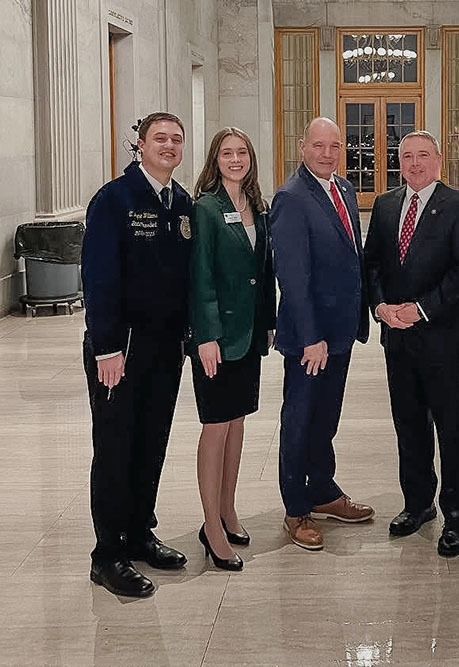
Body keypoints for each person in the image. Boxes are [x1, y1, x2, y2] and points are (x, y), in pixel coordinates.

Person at [82, 112, 192, 597]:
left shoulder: (181, 203)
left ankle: (139, 533)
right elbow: (99, 278)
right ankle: (108, 554)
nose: (168, 146)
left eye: (176, 140)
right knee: (115, 447)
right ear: (140, 145)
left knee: (151, 441)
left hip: (166, 349)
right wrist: (106, 346)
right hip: (120, 351)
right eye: (160, 139)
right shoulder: (114, 200)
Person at [363, 130, 459, 558]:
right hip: (396, 336)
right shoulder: (386, 203)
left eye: (423, 155)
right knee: (408, 423)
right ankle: (417, 504)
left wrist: (421, 309)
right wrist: (380, 307)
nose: (414, 163)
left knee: (451, 429)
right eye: (406, 156)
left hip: (442, 337)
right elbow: (372, 261)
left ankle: (458, 514)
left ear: (439, 159)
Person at [270, 117, 373, 550]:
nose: (328, 153)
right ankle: (296, 510)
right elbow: (292, 276)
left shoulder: (345, 190)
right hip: (310, 338)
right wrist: (312, 337)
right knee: (299, 420)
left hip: (340, 331)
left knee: (326, 418)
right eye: (319, 145)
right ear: (302, 146)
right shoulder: (291, 198)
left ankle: (324, 491)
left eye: (335, 145)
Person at [189, 127, 276, 571]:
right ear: (215, 159)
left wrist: (267, 325)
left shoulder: (258, 208)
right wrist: (204, 336)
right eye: (227, 153)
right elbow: (199, 275)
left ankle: (228, 509)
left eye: (242, 152)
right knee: (215, 427)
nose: (236, 159)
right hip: (216, 340)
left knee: (237, 424)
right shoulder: (205, 209)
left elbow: (264, 273)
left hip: (249, 338)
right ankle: (210, 526)